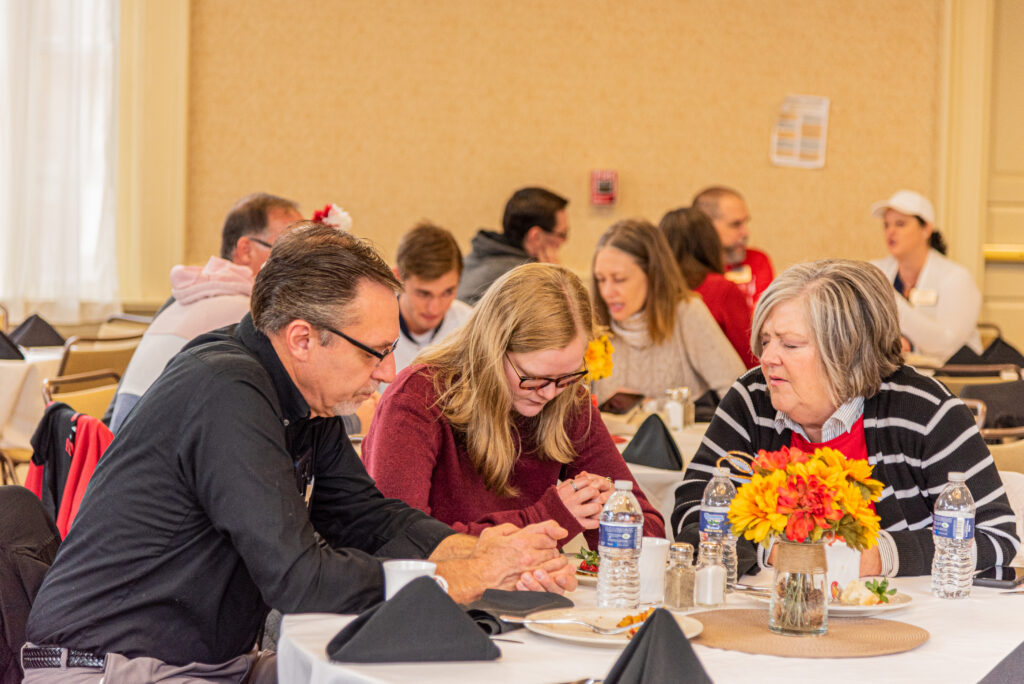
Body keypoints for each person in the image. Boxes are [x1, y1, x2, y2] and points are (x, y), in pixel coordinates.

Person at [24, 224, 573, 681]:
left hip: (208, 662)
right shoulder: (226, 391)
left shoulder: (303, 399)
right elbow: (298, 578)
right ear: (304, 339)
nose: (387, 373)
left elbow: (368, 517)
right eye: (377, 353)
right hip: (109, 667)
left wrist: (472, 549)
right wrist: (456, 577)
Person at [671, 259, 1019, 579]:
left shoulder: (925, 411)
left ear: (847, 353)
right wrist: (780, 552)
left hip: (909, 623)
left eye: (790, 345)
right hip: (768, 611)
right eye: (765, 340)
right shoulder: (753, 399)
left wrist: (877, 556)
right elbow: (693, 511)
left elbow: (996, 536)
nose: (767, 357)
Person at [363, 263, 665, 548]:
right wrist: (548, 518)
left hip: (535, 594)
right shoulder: (419, 396)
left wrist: (610, 516)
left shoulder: (567, 397)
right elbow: (402, 544)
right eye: (532, 378)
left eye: (567, 377)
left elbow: (650, 530)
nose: (549, 394)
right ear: (492, 350)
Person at [108, 193, 304, 431]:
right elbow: (291, 405)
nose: (301, 265)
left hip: (125, 440)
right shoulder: (242, 308)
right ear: (245, 250)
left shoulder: (193, 293)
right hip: (154, 447)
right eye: (289, 251)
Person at [591, 218, 746, 405]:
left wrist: (652, 406)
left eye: (619, 279)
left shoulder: (687, 313)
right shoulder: (595, 325)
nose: (607, 292)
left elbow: (738, 396)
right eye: (601, 279)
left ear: (652, 275)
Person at [869, 189, 982, 362]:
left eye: (900, 224)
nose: (890, 232)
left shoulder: (956, 278)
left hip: (950, 379)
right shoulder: (876, 271)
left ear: (926, 229)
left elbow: (948, 344)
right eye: (886, 225)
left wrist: (890, 300)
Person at [659, 206, 758, 368]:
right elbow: (748, 357)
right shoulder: (722, 290)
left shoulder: (652, 291)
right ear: (710, 243)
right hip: (720, 388)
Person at [457, 187, 569, 305]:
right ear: (536, 236)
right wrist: (555, 281)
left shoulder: (480, 252)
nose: (564, 241)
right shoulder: (522, 277)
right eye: (562, 234)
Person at [391, 221, 473, 375]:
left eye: (447, 292)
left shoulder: (470, 328)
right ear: (398, 278)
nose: (434, 308)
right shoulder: (371, 328)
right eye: (423, 294)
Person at [692, 186, 774, 313]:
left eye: (745, 223)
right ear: (706, 227)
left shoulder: (758, 260)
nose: (746, 233)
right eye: (735, 224)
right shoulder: (691, 271)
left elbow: (765, 317)